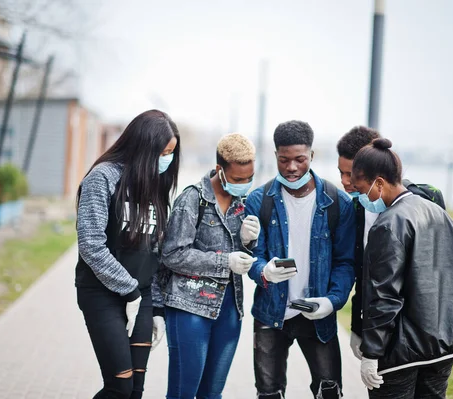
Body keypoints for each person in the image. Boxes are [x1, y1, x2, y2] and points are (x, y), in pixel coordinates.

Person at [351, 138, 453, 398]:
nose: (362, 198)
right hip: (444, 345)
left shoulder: (388, 223)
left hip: (403, 352)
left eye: (362, 190)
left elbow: (384, 296)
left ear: (379, 183)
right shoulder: (437, 212)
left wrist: (371, 353)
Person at [245, 120, 355, 399]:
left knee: (329, 392)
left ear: (312, 156)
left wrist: (331, 302)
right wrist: (264, 271)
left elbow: (345, 262)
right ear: (275, 156)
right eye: (284, 160)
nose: (292, 167)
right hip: (271, 313)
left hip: (318, 315)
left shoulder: (337, 203)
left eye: (299, 159)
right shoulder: (259, 201)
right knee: (268, 393)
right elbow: (252, 258)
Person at [75, 110, 180, 399]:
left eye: (171, 152)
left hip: (142, 296)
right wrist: (129, 290)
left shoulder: (155, 184)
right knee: (119, 386)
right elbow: (91, 244)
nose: (167, 159)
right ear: (143, 148)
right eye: (163, 152)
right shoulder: (103, 178)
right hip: (101, 293)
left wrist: (156, 308)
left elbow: (155, 252)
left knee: (135, 390)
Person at [161, 133, 259, 399]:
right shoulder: (192, 199)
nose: (245, 185)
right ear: (220, 170)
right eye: (238, 179)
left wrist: (248, 243)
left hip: (229, 309)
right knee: (183, 391)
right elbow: (172, 254)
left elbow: (242, 258)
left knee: (212, 394)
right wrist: (224, 261)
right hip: (190, 307)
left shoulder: (243, 204)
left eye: (249, 178)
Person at [336, 126, 381, 359]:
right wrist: (356, 327)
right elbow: (360, 275)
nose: (344, 181)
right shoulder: (356, 208)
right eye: (340, 173)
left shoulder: (419, 199)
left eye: (350, 174)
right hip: (373, 330)